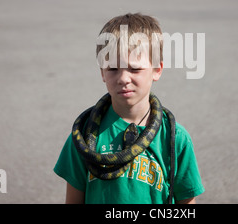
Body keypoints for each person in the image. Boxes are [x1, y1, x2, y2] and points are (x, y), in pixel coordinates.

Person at [54, 13, 204, 204]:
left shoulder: (175, 139)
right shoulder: (83, 136)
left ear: (157, 70)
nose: (123, 78)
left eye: (134, 69)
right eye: (113, 69)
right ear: (102, 72)